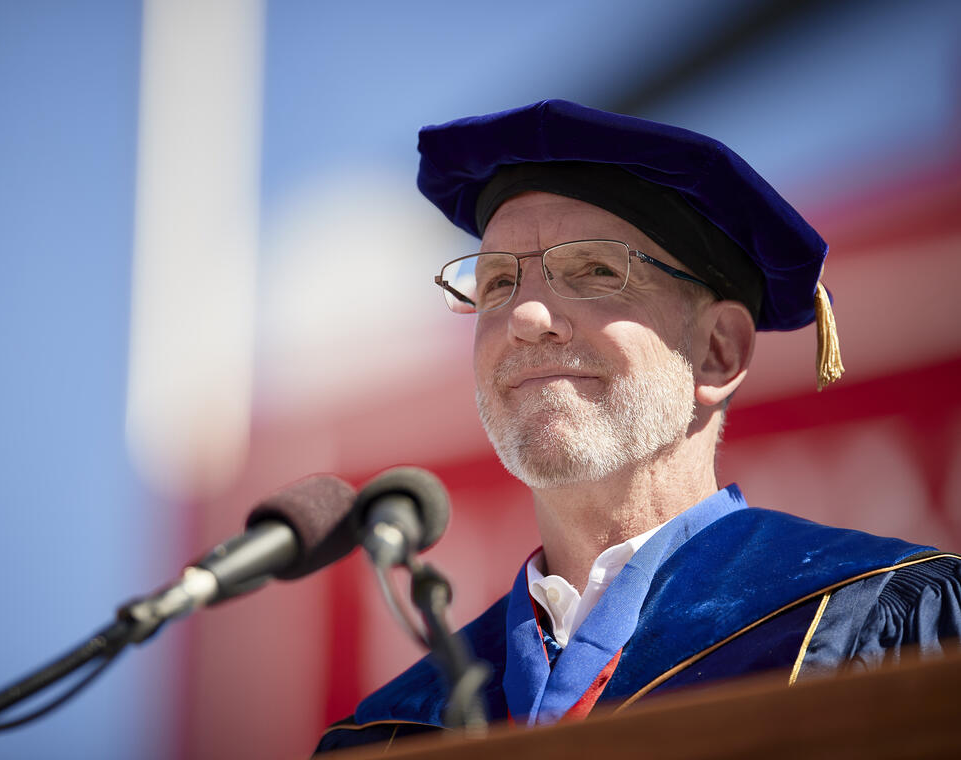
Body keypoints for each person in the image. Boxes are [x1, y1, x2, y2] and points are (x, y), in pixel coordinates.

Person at [315, 100, 961, 753]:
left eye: (594, 270)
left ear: (717, 352)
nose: (527, 316)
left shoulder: (874, 623)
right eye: (497, 282)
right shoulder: (393, 729)